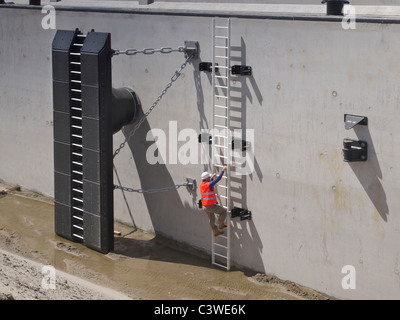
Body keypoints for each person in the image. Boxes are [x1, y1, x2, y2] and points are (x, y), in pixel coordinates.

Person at [200, 165, 228, 236]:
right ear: (206, 179)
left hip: (205, 207)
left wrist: (212, 177)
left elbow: (210, 185)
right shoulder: (209, 184)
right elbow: (218, 178)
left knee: (211, 219)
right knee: (223, 211)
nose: (210, 178)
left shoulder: (202, 184)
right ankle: (221, 224)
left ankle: (215, 232)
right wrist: (223, 170)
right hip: (210, 206)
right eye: (209, 177)